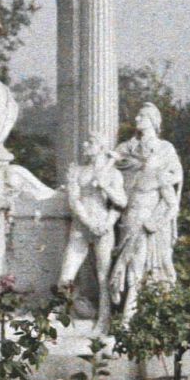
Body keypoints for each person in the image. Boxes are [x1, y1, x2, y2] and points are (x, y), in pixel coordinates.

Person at [108, 104, 183, 328]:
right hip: (130, 214)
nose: (137, 118)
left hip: (151, 215)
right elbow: (113, 171)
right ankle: (128, 315)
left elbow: (174, 179)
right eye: (138, 114)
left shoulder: (164, 149)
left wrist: (156, 221)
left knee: (149, 265)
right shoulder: (125, 148)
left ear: (153, 120)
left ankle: (135, 317)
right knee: (129, 264)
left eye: (142, 116)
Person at [58, 137, 127, 331]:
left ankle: (104, 319)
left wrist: (107, 222)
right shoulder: (78, 171)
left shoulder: (113, 174)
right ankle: (70, 316)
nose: (84, 145)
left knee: (103, 276)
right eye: (85, 142)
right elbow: (74, 201)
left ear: (101, 148)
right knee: (66, 276)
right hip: (81, 227)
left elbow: (120, 203)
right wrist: (88, 222)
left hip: (104, 226)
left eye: (90, 143)